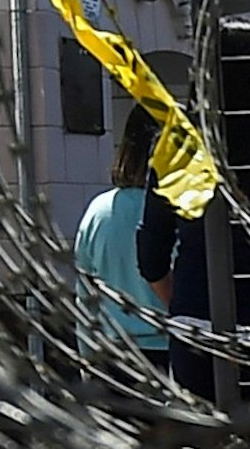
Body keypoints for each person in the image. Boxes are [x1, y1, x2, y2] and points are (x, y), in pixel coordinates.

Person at [76, 110, 180, 372]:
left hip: (112, 355)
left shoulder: (98, 212)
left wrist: (87, 358)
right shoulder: (181, 213)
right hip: (174, 352)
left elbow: (86, 296)